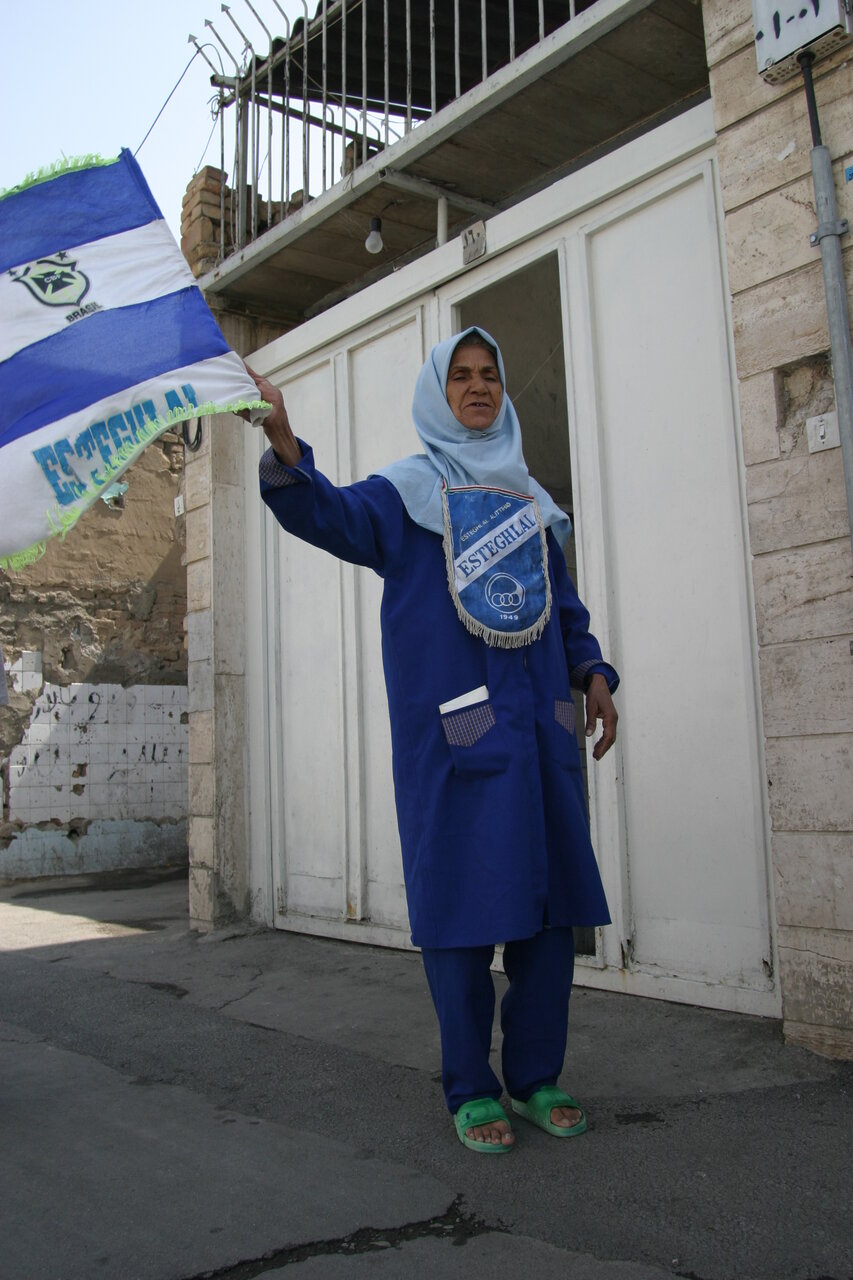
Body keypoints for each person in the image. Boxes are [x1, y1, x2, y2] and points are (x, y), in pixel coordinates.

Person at [247, 327, 618, 1153]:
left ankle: (534, 1077)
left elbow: (566, 616)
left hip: (538, 740)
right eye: (461, 376)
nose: (478, 387)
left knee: (547, 918)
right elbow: (324, 512)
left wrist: (592, 672)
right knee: (458, 914)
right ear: (437, 394)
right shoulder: (405, 494)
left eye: (490, 375)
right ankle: (468, 1086)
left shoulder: (533, 504)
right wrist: (283, 440)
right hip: (459, 740)